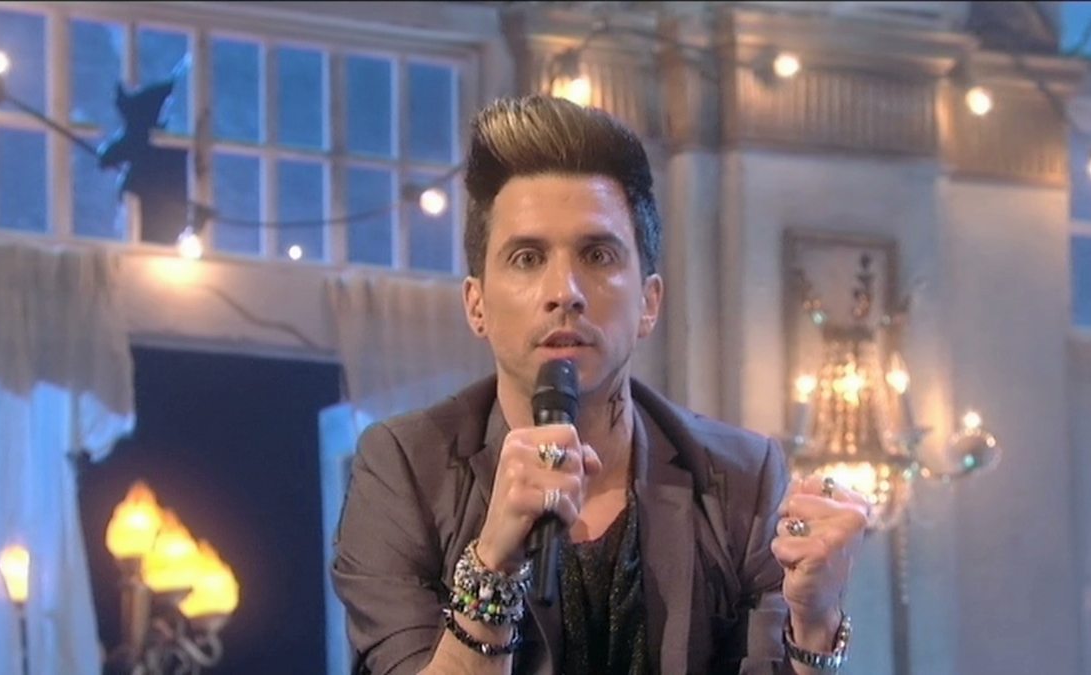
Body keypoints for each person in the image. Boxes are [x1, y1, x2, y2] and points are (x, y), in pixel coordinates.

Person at [332, 94, 871, 675]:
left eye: (597, 254)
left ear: (649, 302)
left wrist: (815, 623)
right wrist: (491, 569)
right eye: (527, 258)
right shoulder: (405, 470)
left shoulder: (741, 479)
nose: (564, 291)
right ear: (477, 303)